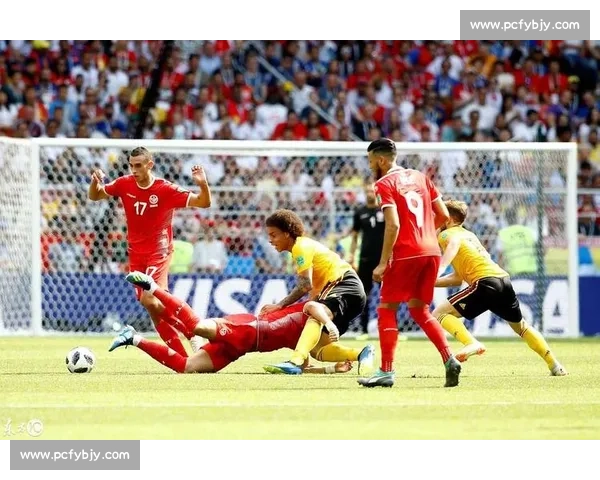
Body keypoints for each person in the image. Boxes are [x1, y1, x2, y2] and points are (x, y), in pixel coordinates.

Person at [109, 271, 375, 375]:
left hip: (242, 348)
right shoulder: (316, 316)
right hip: (249, 328)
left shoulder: (308, 344)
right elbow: (312, 306)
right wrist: (330, 324)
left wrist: (330, 370)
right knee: (197, 327)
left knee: (187, 367)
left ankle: (133, 337)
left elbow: (302, 367)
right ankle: (153, 287)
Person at [357, 138, 461, 388]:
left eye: (371, 161)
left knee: (386, 309)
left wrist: (383, 263)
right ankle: (450, 359)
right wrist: (424, 235)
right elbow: (444, 214)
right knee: (419, 310)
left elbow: (393, 224)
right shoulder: (421, 177)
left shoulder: (383, 184)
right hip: (431, 251)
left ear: (381, 160)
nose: (370, 166)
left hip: (405, 253)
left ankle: (386, 371)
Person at [88, 146, 212, 356]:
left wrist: (202, 184)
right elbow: (95, 196)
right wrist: (95, 182)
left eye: (138, 165)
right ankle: (183, 358)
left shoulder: (165, 189)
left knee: (148, 298)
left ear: (150, 165)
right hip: (136, 254)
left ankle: (192, 332)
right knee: (153, 308)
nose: (134, 170)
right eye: (131, 165)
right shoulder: (124, 183)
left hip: (158, 252)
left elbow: (204, 202)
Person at [432, 199, 567, 376]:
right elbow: (458, 278)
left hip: (484, 282)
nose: (436, 219)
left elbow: (453, 244)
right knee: (522, 327)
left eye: (440, 215)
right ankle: (555, 365)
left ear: (448, 219)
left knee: (439, 313)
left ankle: (471, 343)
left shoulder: (447, 234)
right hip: (502, 280)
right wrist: (431, 282)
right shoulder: (470, 235)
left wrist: (440, 268)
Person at [259, 209, 368, 375]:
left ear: (287, 233)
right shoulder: (304, 248)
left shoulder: (300, 247)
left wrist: (279, 305)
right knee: (317, 349)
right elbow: (313, 292)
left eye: (274, 235)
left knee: (313, 311)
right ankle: (361, 354)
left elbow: (305, 285)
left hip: (344, 282)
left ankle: (295, 361)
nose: (270, 240)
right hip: (351, 295)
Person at [349, 182, 385, 339]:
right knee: (364, 294)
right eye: (368, 191)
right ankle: (363, 330)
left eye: (372, 191)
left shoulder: (385, 210)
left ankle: (390, 329)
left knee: (388, 295)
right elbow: (355, 236)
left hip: (383, 259)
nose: (370, 193)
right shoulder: (359, 211)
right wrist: (351, 255)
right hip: (365, 259)